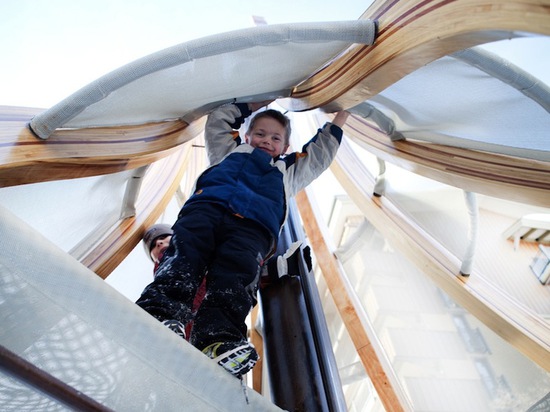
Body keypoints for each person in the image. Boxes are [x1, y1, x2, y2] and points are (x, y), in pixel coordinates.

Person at [136, 101, 349, 378]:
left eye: (275, 138)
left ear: (286, 147)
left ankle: (217, 339)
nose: (266, 141)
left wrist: (340, 120)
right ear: (247, 135)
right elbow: (218, 122)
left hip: (252, 229)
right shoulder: (229, 151)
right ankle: (161, 312)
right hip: (207, 209)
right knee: (184, 259)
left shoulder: (289, 172)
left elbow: (319, 155)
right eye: (260, 133)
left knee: (235, 279)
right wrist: (256, 103)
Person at [142, 223, 206, 339]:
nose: (158, 243)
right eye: (152, 246)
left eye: (163, 237)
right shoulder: (162, 280)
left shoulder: (199, 254)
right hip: (184, 333)